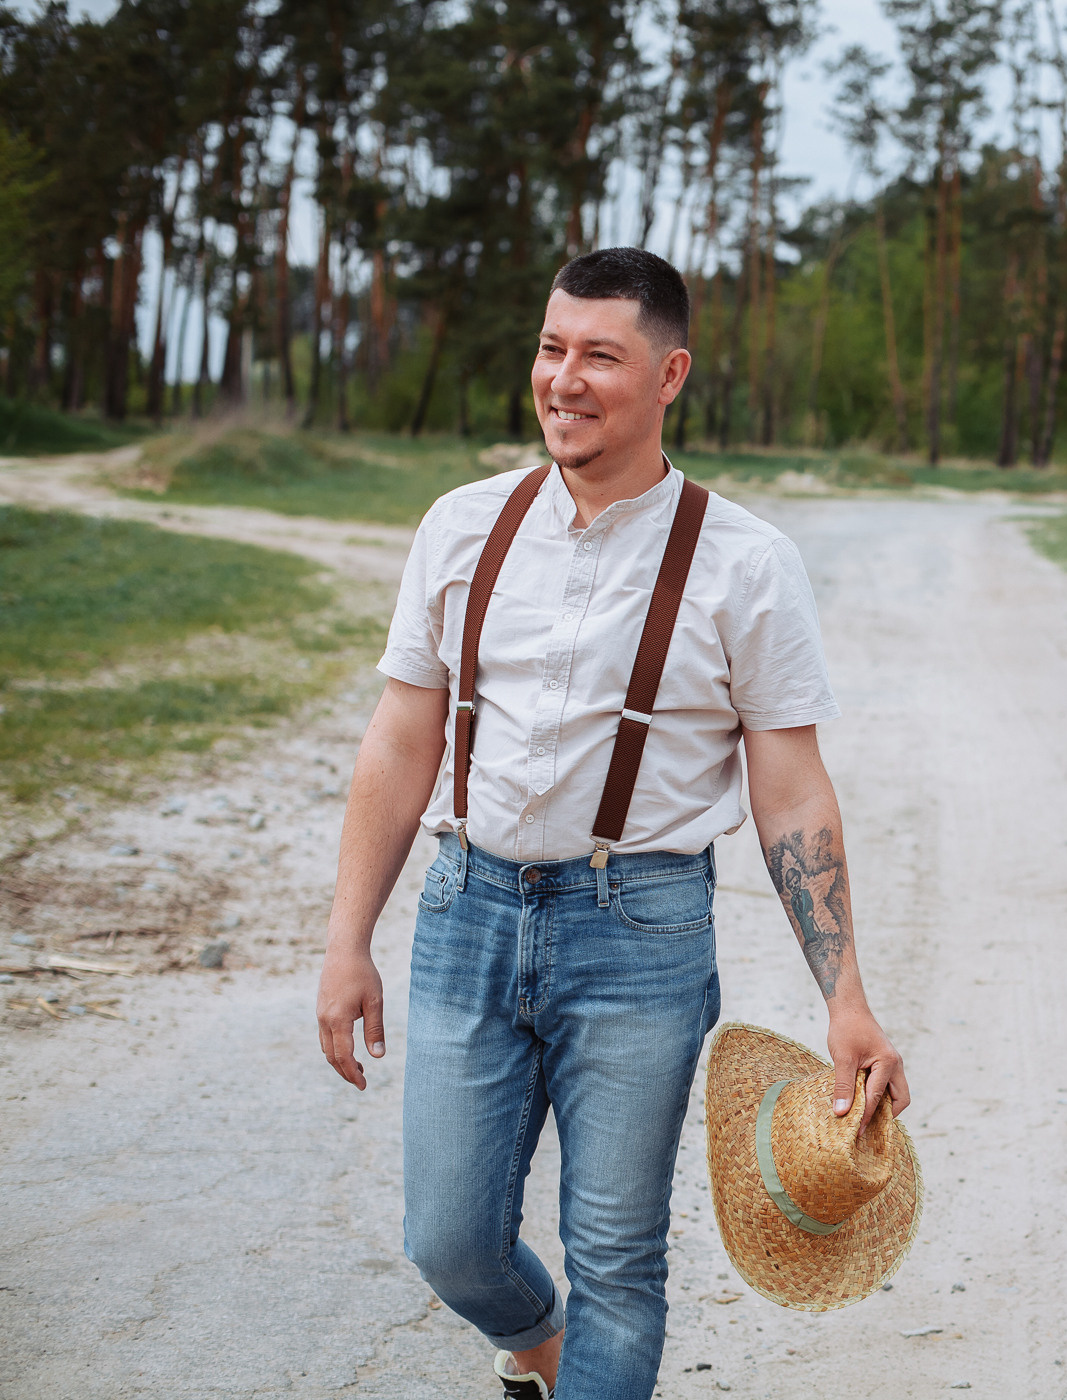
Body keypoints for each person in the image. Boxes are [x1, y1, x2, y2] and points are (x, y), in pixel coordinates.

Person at [314, 246, 909, 1400]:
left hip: (640, 930)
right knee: (448, 1238)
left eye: (601, 355)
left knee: (622, 1265)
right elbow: (400, 739)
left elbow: (790, 788)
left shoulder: (749, 562)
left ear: (670, 373)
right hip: (467, 910)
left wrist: (845, 994)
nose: (565, 379)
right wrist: (349, 939)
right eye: (551, 347)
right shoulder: (462, 524)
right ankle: (534, 1337)